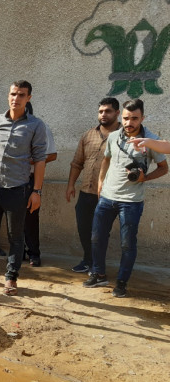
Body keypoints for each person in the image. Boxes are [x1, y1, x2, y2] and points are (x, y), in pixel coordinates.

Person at [84, 99, 168, 297]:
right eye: (126, 118)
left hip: (131, 201)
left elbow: (164, 168)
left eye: (134, 118)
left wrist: (145, 178)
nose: (129, 122)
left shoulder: (151, 140)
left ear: (142, 118)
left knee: (127, 244)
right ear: (121, 117)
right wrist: (100, 182)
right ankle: (98, 273)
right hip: (107, 197)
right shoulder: (113, 136)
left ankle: (121, 283)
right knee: (96, 238)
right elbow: (106, 159)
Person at [0, 80, 47, 296]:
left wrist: (36, 191)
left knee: (15, 237)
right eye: (13, 94)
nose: (15, 98)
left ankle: (11, 278)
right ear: (8, 95)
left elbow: (40, 160)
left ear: (28, 98)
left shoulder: (36, 125)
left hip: (18, 189)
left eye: (21, 95)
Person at [66, 97, 121, 273]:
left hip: (108, 194)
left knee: (100, 232)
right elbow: (77, 163)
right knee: (84, 228)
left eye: (108, 111)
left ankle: (97, 266)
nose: (103, 114)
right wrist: (70, 185)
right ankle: (88, 260)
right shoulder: (88, 135)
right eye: (100, 111)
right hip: (86, 191)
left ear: (117, 113)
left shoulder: (123, 136)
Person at [23, 102, 57, 267]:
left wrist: (31, 160)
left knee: (30, 217)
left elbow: (52, 155)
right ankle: (18, 252)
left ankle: (33, 253)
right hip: (12, 178)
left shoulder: (41, 127)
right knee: (14, 217)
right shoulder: (10, 128)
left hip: (31, 178)